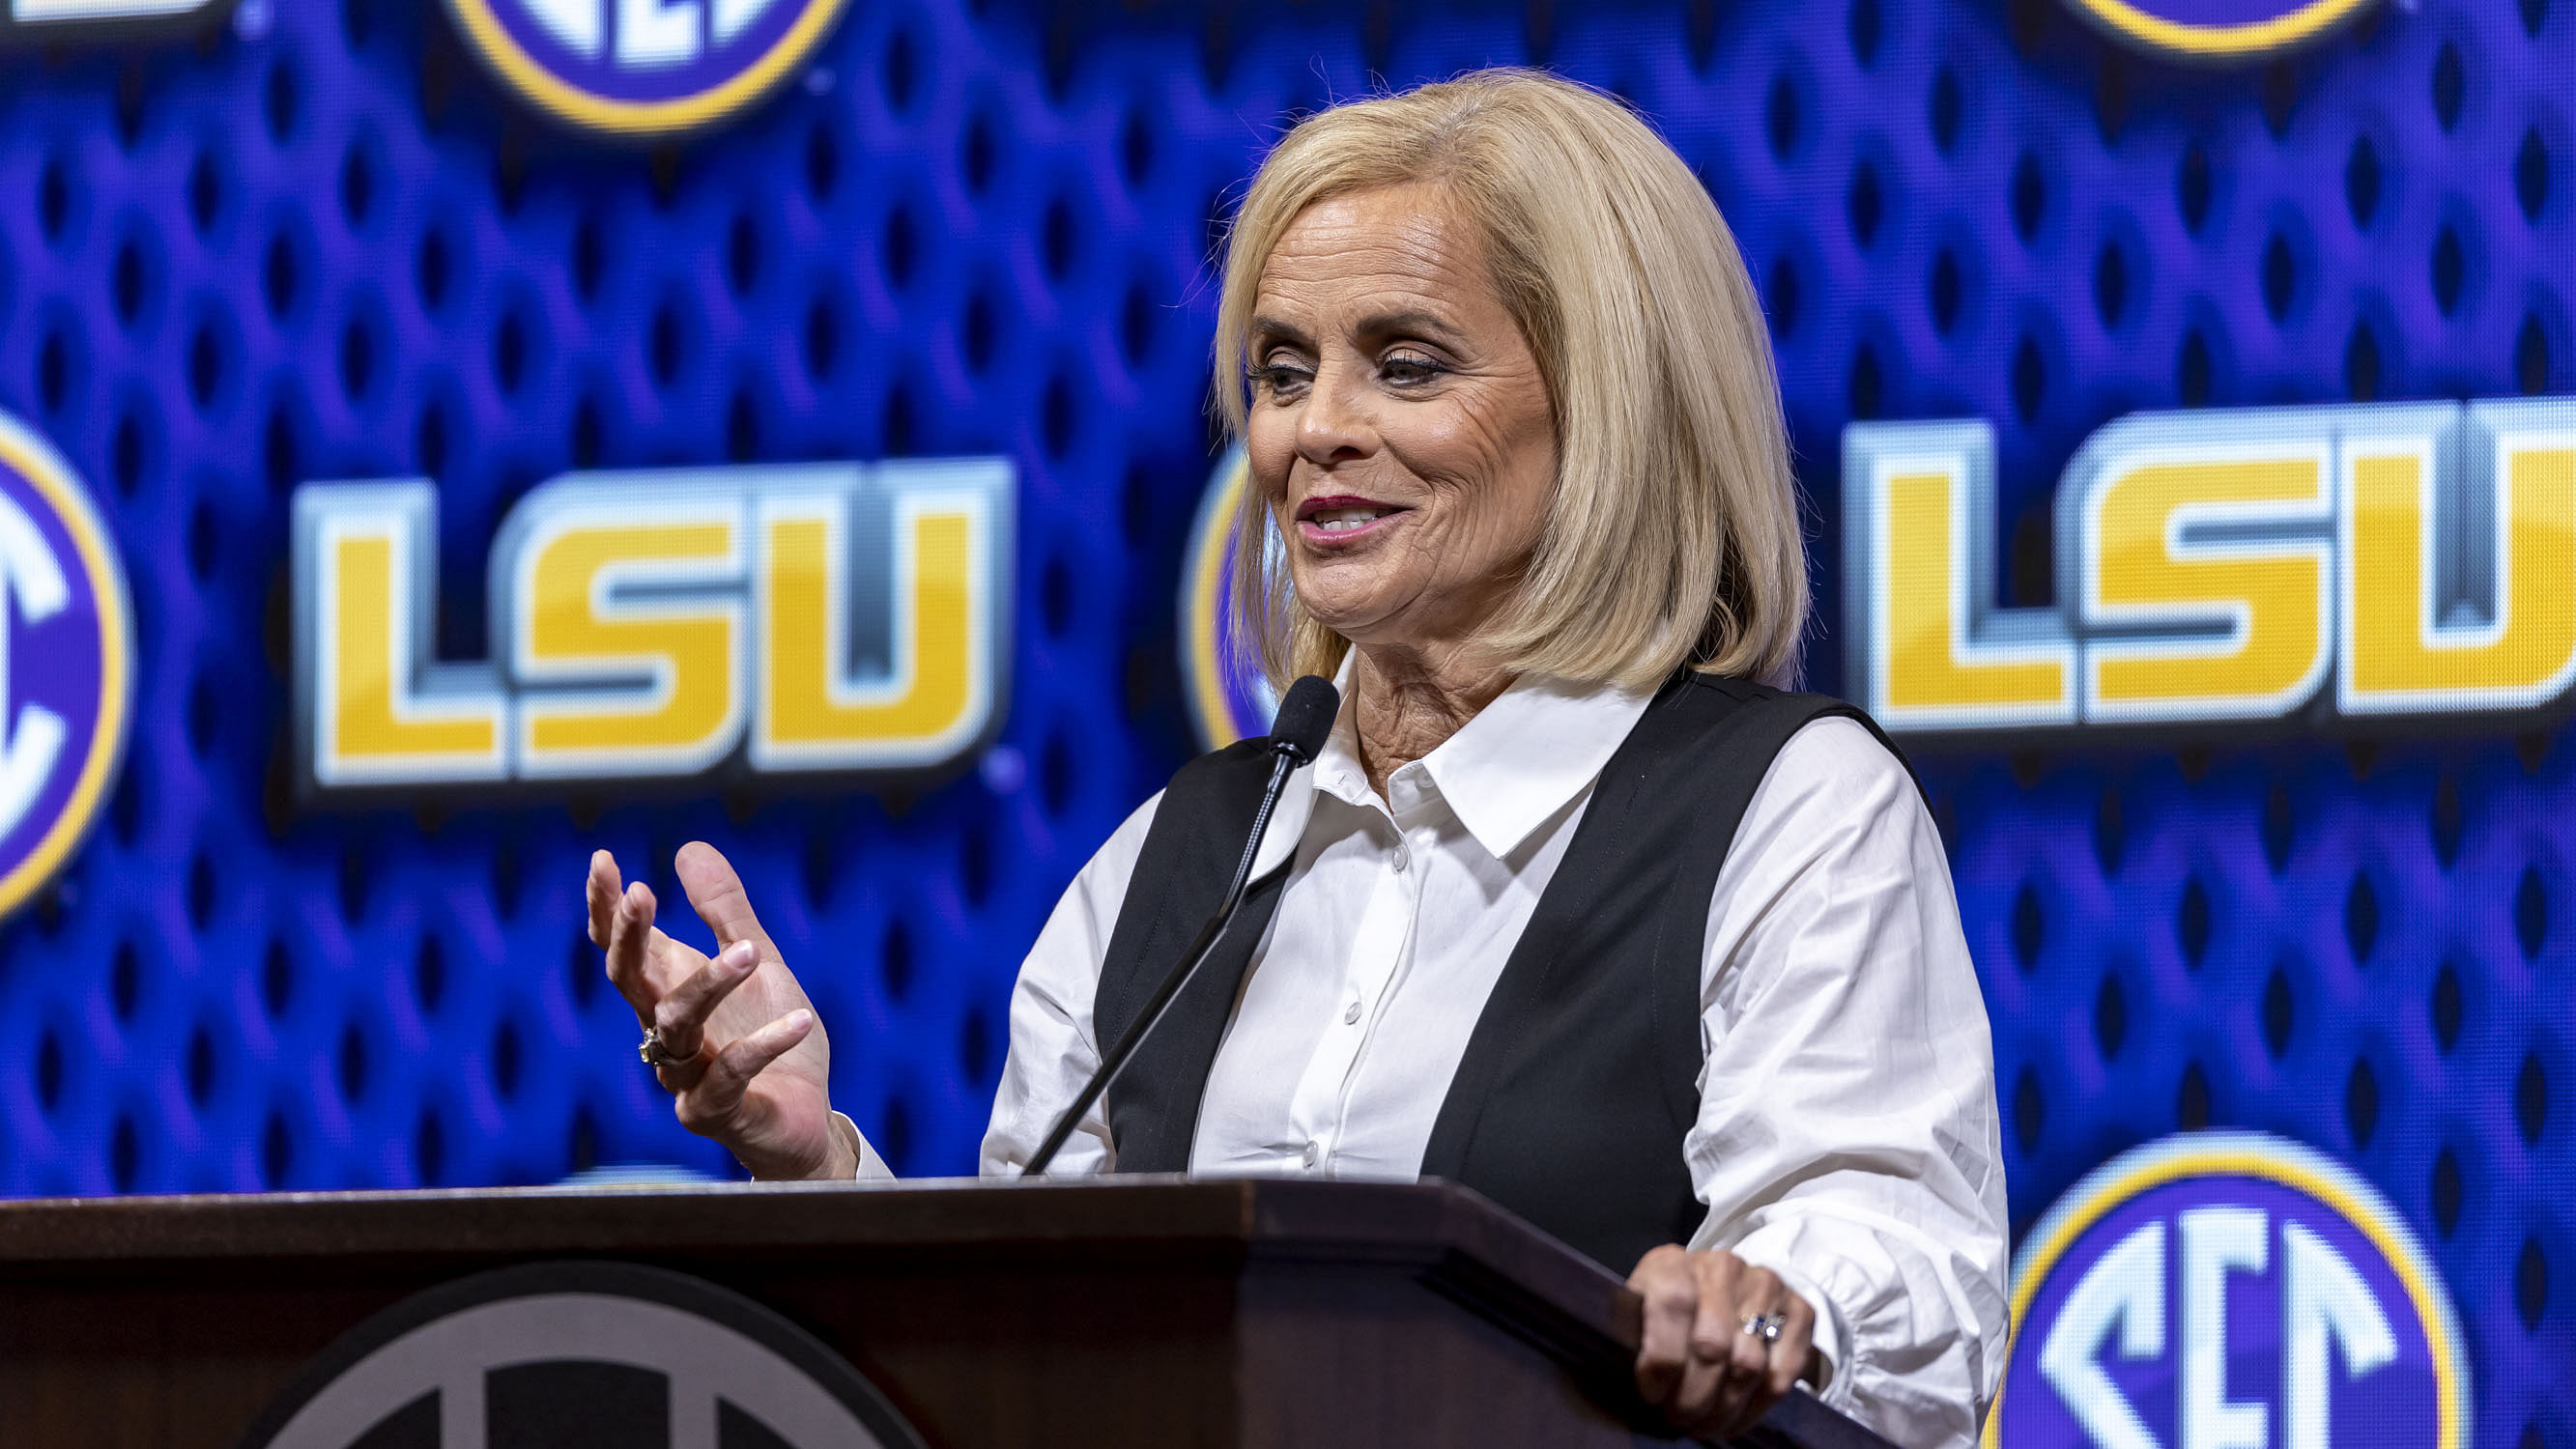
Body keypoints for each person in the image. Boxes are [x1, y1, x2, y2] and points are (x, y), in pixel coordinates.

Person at [584, 69, 2007, 1447]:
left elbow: (1890, 1257)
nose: (1313, 430)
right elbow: (1027, 1354)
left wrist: (1775, 1312)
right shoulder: (1175, 860)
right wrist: (813, 1163)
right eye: (1279, 369)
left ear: (1610, 403)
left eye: (1405, 364)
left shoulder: (1783, 810)